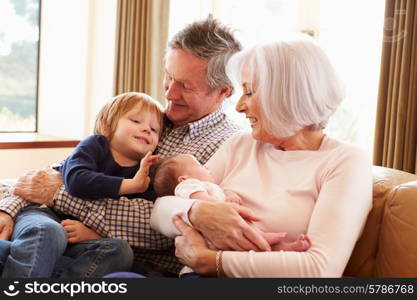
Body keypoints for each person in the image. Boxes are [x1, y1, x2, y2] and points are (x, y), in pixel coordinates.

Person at [0, 16, 243, 277]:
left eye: (185, 85)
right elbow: (58, 170)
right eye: (168, 77)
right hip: (64, 234)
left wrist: (60, 194)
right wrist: (9, 209)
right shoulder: (146, 118)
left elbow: (162, 225)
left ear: (224, 92)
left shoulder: (227, 147)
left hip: (121, 259)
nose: (170, 94)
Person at [150, 37, 373, 277]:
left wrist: (213, 261)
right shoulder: (242, 145)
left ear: (286, 96)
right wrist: (197, 212)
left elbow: (319, 269)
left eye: (249, 92)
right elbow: (160, 211)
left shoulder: (345, 161)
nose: (239, 107)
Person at [0, 92, 163, 277]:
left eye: (154, 129)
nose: (147, 129)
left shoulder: (147, 174)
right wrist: (130, 185)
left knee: (120, 251)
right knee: (49, 232)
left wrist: (95, 235)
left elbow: (134, 225)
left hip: (83, 240)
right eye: (135, 120)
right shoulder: (95, 145)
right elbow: (77, 181)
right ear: (107, 125)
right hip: (45, 215)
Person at [151, 153, 311, 252]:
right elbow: (202, 200)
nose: (207, 168)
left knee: (251, 238)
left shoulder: (208, 185)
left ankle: (285, 247)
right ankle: (268, 239)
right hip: (212, 237)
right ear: (183, 178)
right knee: (248, 234)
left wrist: (229, 194)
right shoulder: (189, 185)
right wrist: (219, 205)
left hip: (228, 232)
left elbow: (220, 192)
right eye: (200, 165)